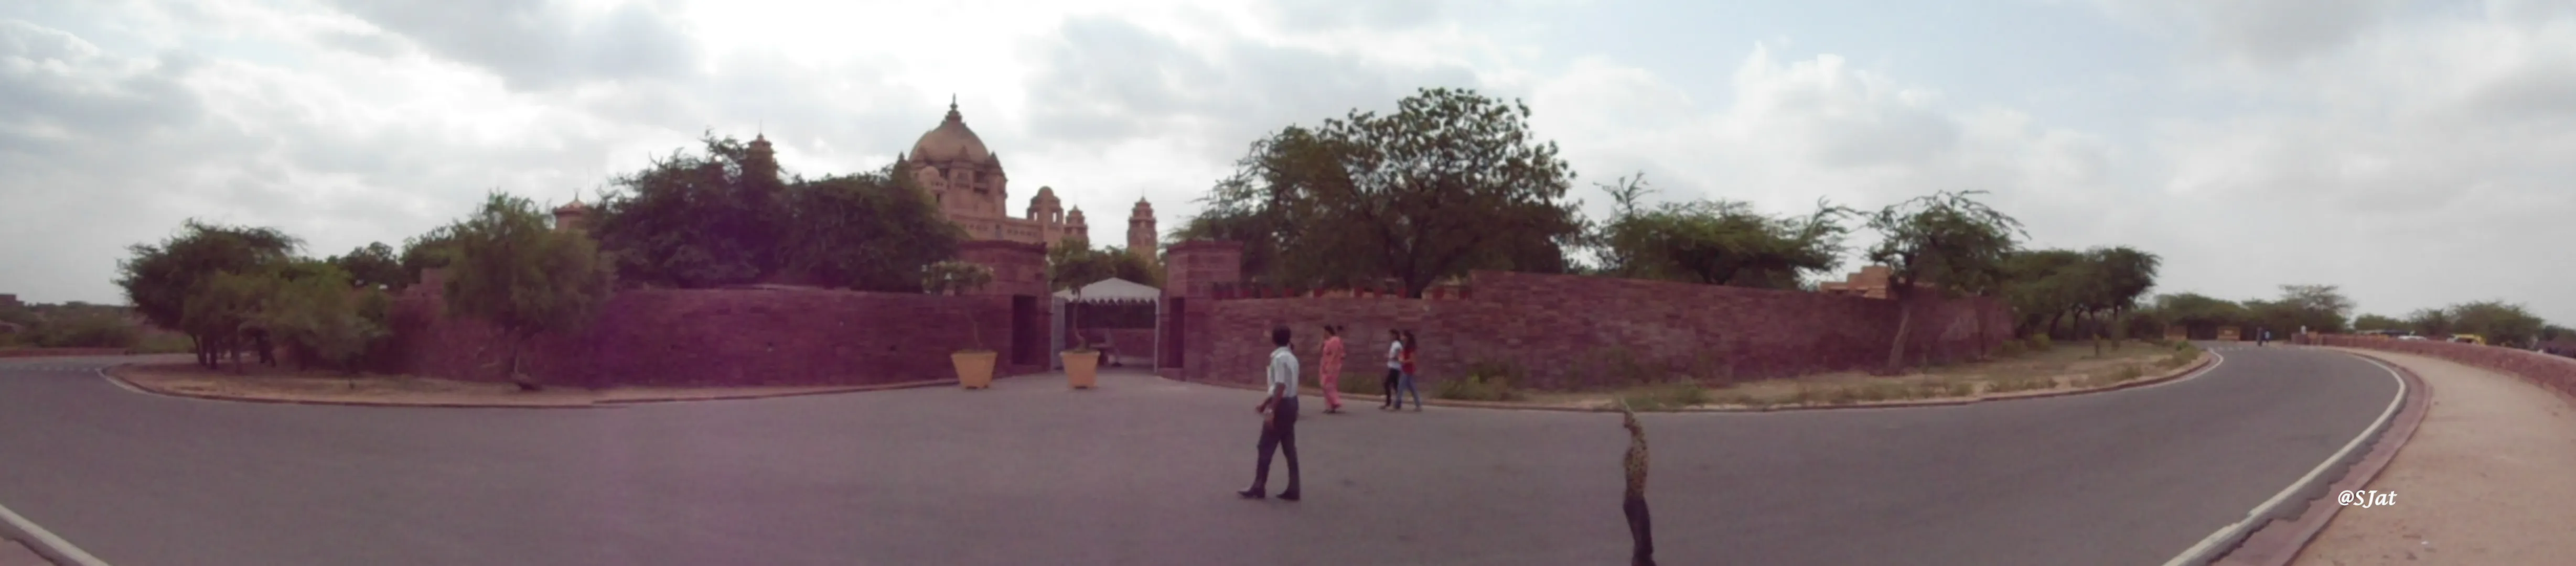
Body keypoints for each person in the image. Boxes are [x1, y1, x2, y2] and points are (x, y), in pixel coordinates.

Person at [1240, 325, 1302, 501]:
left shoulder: (1279, 359)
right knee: (1289, 448)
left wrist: (1271, 409)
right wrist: (1265, 403)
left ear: (1274, 339)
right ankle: (1294, 487)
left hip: (1282, 405)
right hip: (1292, 403)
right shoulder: (1292, 358)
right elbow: (1284, 386)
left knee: (1265, 445)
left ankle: (1259, 486)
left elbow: (1280, 386)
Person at [1618, 399, 1655, 566]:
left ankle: (1642, 557)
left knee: (1641, 533)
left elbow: (1634, 473)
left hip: (1635, 496)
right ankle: (1642, 556)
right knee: (1642, 534)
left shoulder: (1638, 448)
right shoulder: (1640, 445)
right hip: (1636, 496)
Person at [1318, 325, 1346, 413]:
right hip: (1325, 365)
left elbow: (1335, 353)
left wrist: (1330, 365)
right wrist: (1322, 341)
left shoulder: (1335, 340)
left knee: (1328, 385)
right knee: (1324, 385)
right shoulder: (1327, 342)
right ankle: (1330, 405)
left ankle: (1335, 402)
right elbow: (1319, 350)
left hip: (1332, 366)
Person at [1397, 330, 1424, 411]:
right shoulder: (1406, 346)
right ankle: (1418, 405)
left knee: (1401, 387)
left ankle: (1397, 404)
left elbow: (1413, 360)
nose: (1401, 337)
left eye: (1403, 336)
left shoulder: (1410, 348)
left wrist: (1403, 361)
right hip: (1407, 369)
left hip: (1408, 370)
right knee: (1412, 388)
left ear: (1407, 337)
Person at [1382, 329, 1405, 410]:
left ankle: (1389, 402)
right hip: (1393, 366)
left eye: (1391, 335)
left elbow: (1400, 357)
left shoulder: (1397, 345)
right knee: (1395, 386)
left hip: (1395, 367)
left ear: (1395, 335)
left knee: (1387, 384)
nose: (1390, 337)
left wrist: (1390, 357)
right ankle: (1398, 403)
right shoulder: (1394, 344)